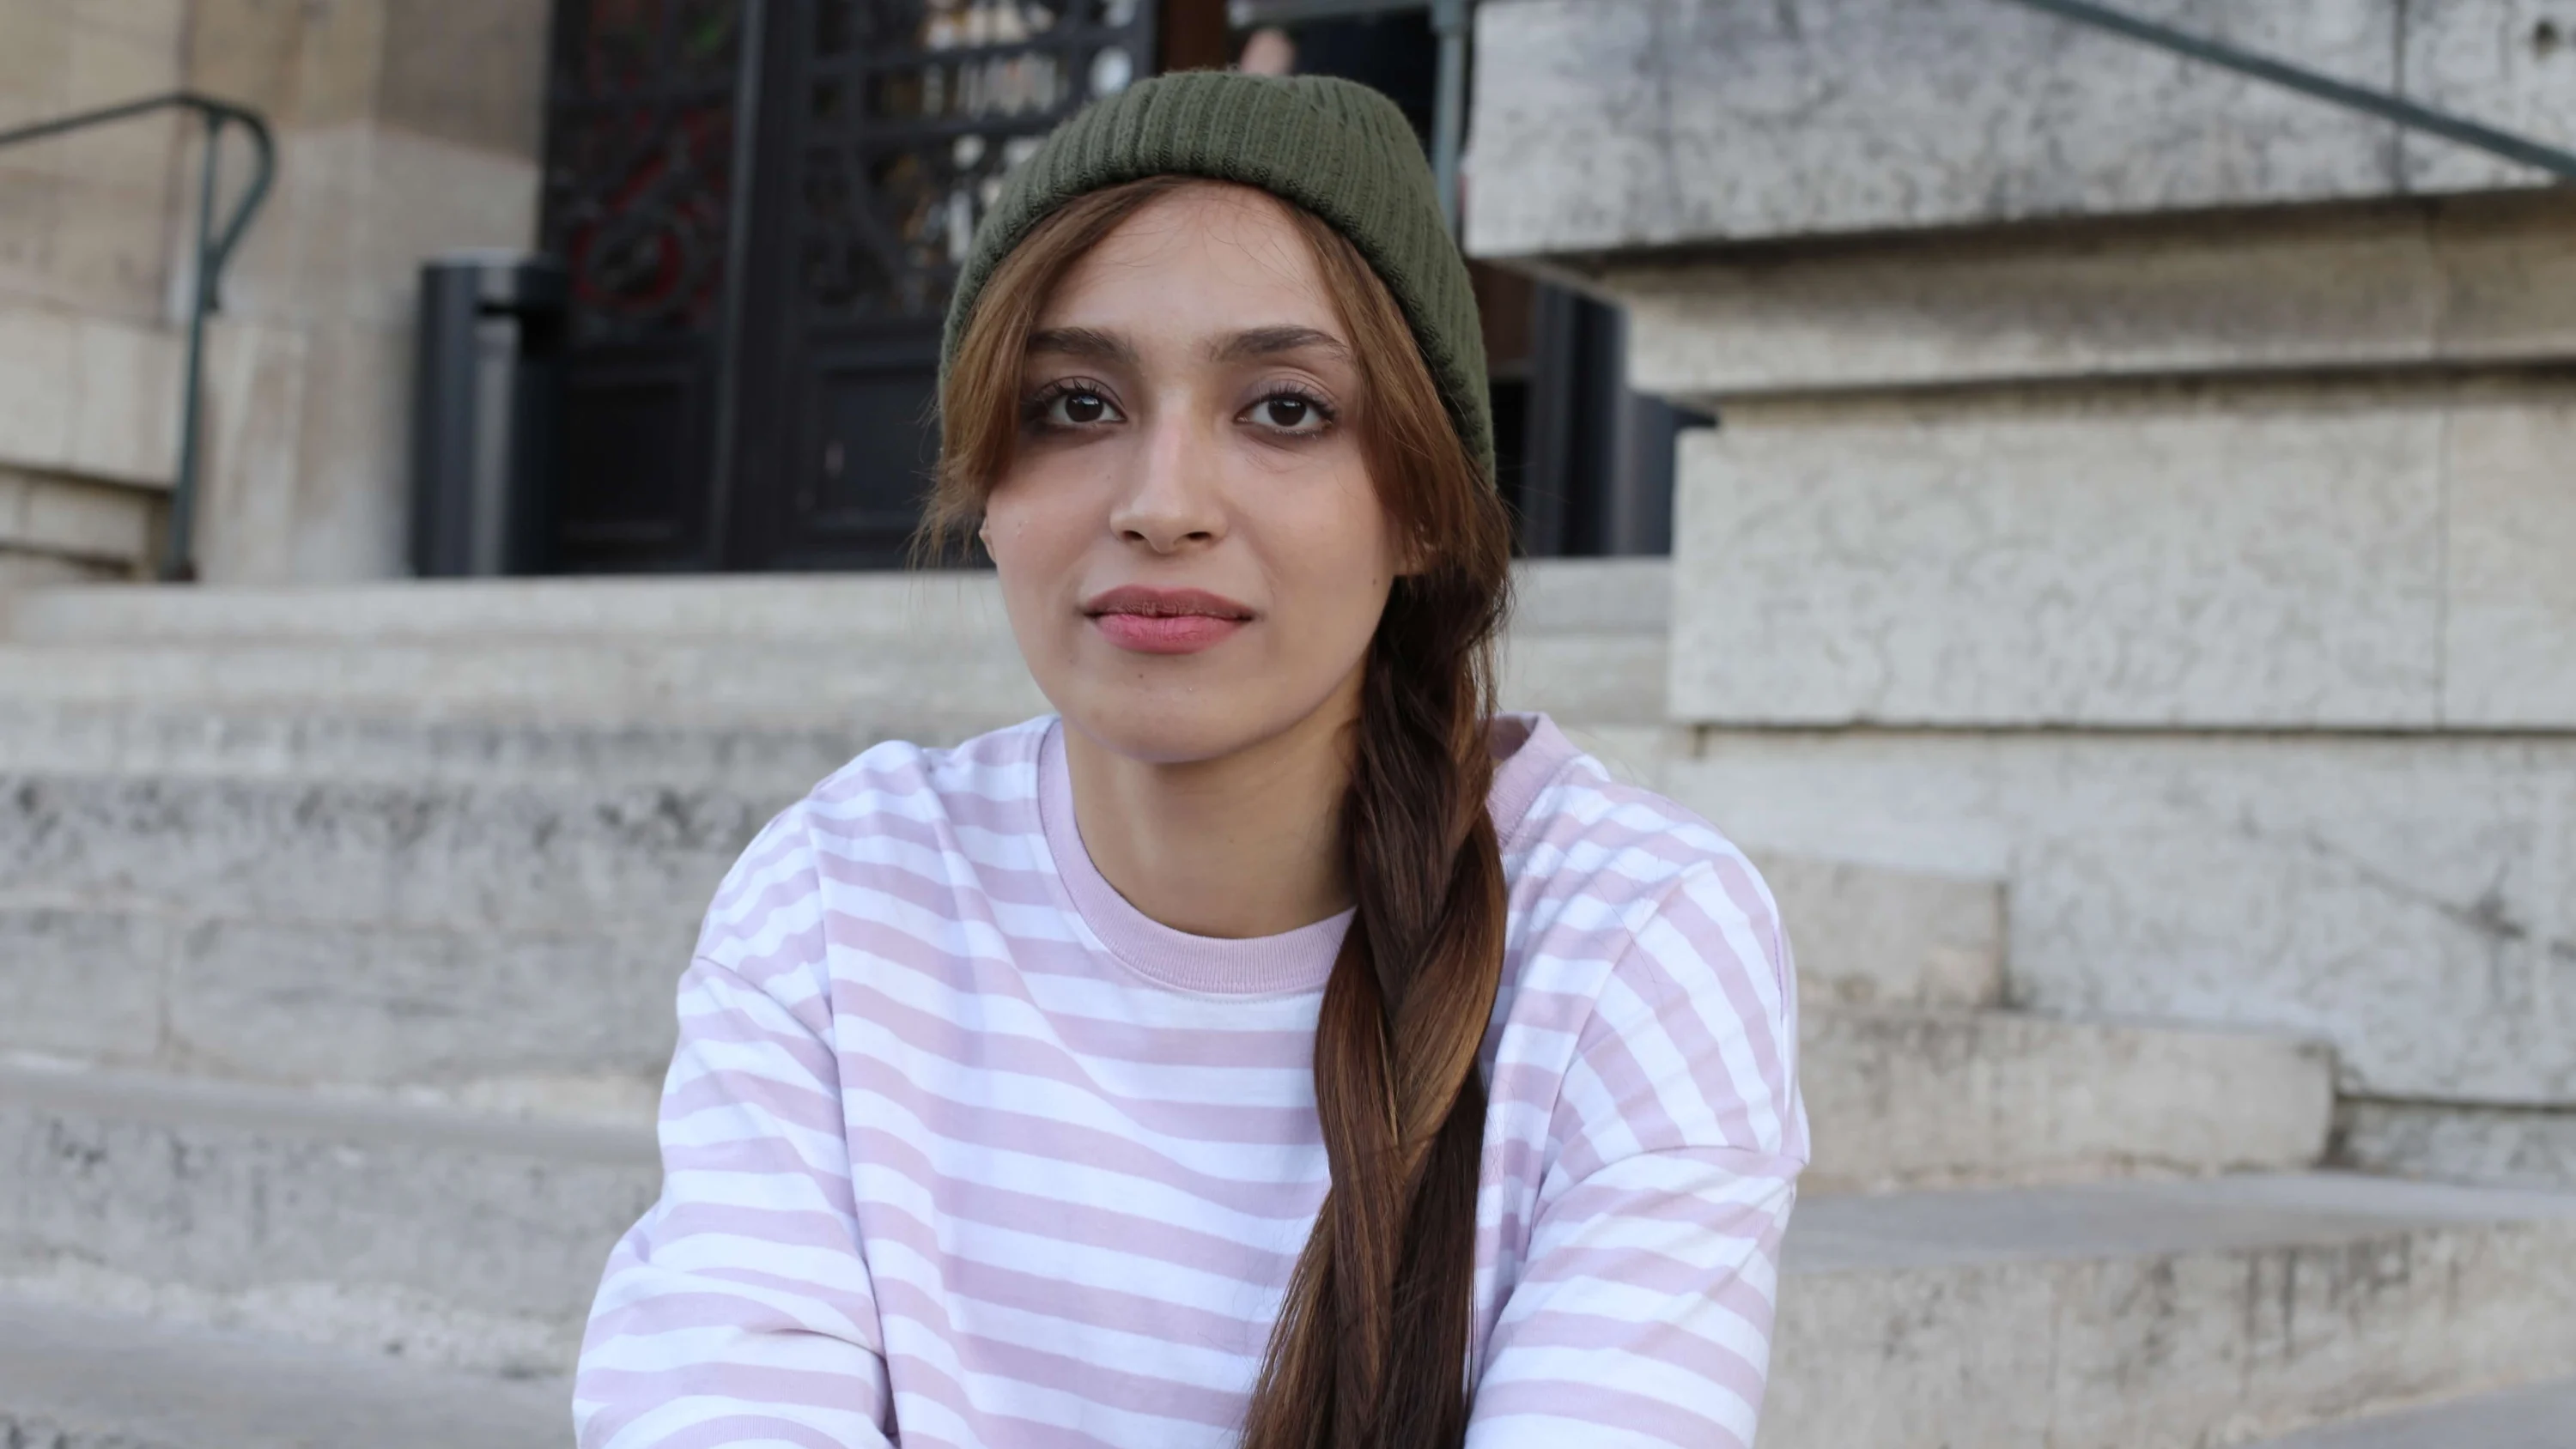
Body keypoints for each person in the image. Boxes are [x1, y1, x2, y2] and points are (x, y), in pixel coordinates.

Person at [574, 70, 1806, 1449]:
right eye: (1074, 404)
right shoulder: (844, 895)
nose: (1163, 506)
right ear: (986, 490)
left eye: (1284, 410)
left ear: (1422, 507)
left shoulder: (1632, 940)